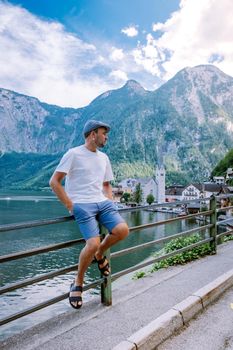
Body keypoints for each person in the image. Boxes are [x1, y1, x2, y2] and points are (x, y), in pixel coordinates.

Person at [49, 119, 129, 309]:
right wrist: (71, 205)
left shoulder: (104, 158)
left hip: (102, 202)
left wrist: (110, 203)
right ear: (93, 134)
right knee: (91, 243)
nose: (106, 137)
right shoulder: (73, 154)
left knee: (123, 230)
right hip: (82, 204)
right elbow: (54, 182)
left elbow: (106, 184)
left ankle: (100, 254)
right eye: (104, 133)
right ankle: (78, 282)